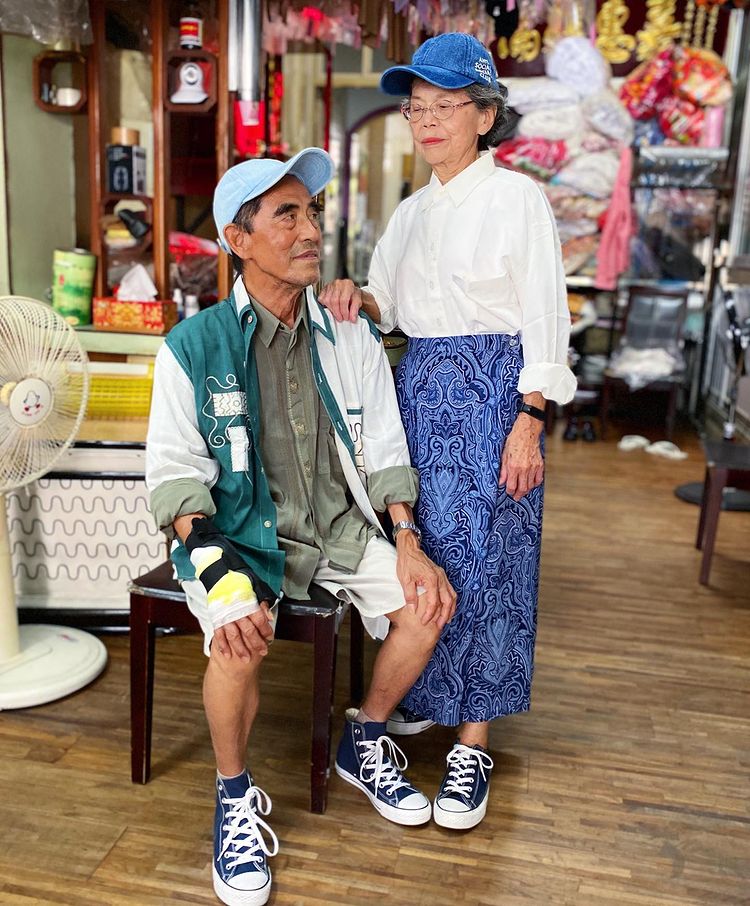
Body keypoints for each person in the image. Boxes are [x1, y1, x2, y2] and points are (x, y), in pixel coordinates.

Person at [145, 148, 456, 906]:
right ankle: (232, 797)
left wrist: (407, 539)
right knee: (236, 637)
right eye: (287, 214)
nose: (310, 228)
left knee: (431, 603)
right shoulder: (195, 346)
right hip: (237, 536)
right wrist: (216, 572)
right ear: (237, 237)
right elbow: (175, 471)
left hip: (339, 526)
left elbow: (383, 442)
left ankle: (366, 736)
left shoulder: (347, 332)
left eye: (312, 212)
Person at [320, 33, 577, 831]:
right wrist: (353, 294)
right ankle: (428, 700)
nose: (426, 121)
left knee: (496, 565)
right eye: (415, 108)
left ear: (485, 114)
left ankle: (473, 744)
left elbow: (545, 317)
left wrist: (531, 419)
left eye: (444, 106)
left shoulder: (519, 200)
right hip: (422, 394)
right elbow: (389, 304)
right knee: (430, 554)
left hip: (499, 395)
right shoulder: (411, 211)